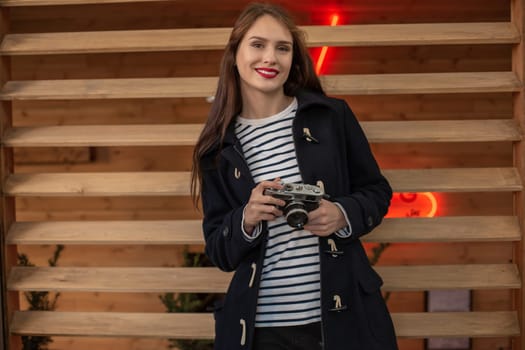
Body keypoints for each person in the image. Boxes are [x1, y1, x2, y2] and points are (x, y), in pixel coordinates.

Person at [191, 3, 398, 350]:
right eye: (257, 45)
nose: (270, 58)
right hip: (260, 331)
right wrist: (247, 217)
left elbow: (377, 191)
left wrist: (341, 213)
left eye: (282, 48)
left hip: (342, 319)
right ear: (235, 53)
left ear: (294, 58)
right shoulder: (217, 147)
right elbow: (219, 250)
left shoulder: (331, 116)